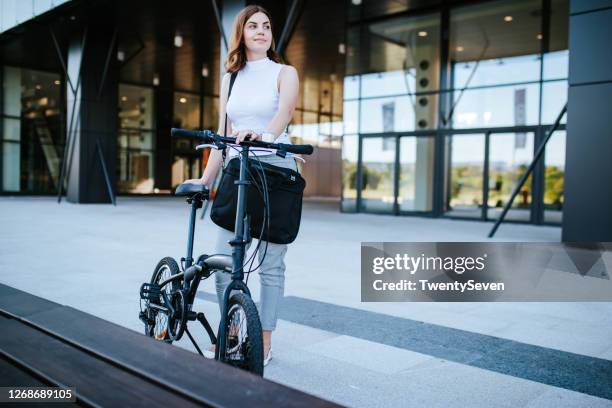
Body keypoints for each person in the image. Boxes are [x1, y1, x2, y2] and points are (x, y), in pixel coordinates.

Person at [183, 4, 299, 366]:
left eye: (267, 25)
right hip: (238, 170)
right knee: (223, 260)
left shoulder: (285, 72)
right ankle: (231, 336)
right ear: (242, 33)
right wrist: (204, 180)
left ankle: (263, 341)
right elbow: (226, 136)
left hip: (275, 170)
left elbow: (283, 117)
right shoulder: (229, 78)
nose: (262, 31)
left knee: (271, 263)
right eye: (253, 26)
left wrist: (261, 136)